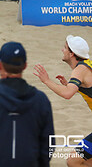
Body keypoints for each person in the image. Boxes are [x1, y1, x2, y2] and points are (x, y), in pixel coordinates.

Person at [34, 35, 92, 166]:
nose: (62, 50)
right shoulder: (87, 66)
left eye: (65, 48)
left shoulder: (80, 70)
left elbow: (67, 94)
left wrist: (46, 81)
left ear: (72, 54)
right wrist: (71, 86)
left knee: (73, 160)